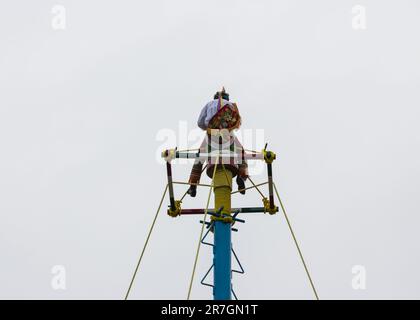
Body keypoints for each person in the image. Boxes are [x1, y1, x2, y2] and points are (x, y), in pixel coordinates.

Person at [187, 88, 248, 197]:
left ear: (215, 97)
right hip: (227, 135)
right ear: (227, 98)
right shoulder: (231, 106)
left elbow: (200, 123)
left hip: (212, 135)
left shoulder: (209, 104)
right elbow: (238, 122)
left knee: (200, 156)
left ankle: (193, 185)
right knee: (241, 153)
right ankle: (241, 176)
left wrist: (210, 127)